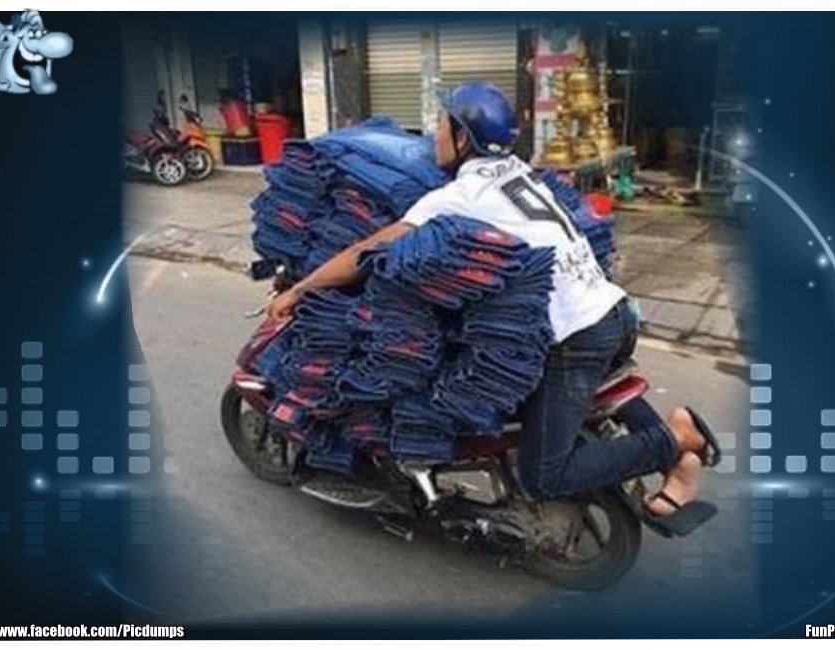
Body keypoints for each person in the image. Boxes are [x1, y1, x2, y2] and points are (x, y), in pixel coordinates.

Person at [267, 82, 719, 534]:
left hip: (576, 336)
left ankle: (674, 440)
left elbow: (367, 250)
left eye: (441, 125)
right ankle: (678, 455)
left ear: (463, 138)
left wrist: (300, 289)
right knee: (581, 389)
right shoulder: (516, 171)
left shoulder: (459, 197)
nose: (432, 136)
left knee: (544, 475)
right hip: (612, 311)